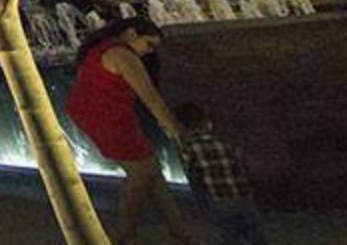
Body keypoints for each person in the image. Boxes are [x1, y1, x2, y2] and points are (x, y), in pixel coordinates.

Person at [65, 18, 195, 245]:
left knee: (153, 173)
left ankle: (179, 233)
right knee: (141, 174)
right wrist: (174, 129)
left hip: (105, 117)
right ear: (132, 33)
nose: (149, 52)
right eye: (149, 44)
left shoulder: (104, 49)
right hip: (108, 120)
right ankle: (126, 235)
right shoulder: (121, 55)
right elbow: (150, 96)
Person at [175, 103, 271, 245]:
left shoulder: (189, 148)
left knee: (229, 234)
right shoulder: (225, 142)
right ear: (206, 123)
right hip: (243, 196)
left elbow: (192, 175)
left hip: (218, 200)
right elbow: (243, 165)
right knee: (256, 233)